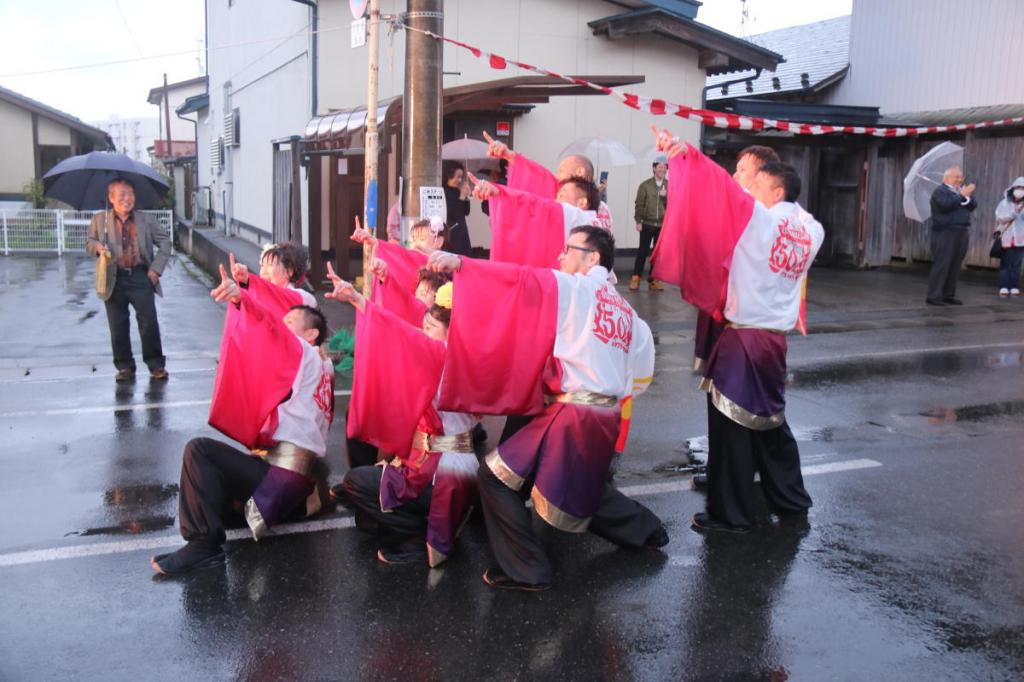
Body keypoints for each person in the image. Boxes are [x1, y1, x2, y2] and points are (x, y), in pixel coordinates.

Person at [428, 225, 667, 591]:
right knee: (580, 485)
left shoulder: (578, 288)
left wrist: (463, 263)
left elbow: (521, 280)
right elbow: (642, 374)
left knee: (494, 478)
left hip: (574, 413)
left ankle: (529, 568)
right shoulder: (628, 313)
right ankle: (648, 531)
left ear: (593, 257)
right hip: (603, 415)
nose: (561, 256)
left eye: (569, 249)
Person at [650, 128, 824, 533]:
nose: (748, 186)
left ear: (776, 192)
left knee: (732, 431)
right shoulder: (811, 232)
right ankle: (790, 498)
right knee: (768, 423)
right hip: (773, 342)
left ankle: (733, 515)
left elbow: (719, 189)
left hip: (744, 337)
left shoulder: (758, 219)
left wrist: (686, 155)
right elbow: (800, 213)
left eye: (758, 182)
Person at [151, 266, 334, 575]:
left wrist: (243, 301)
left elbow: (269, 330)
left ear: (311, 334)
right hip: (295, 479)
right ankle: (292, 505)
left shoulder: (304, 352)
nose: (282, 324)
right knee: (211, 491)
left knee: (200, 452)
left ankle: (203, 546)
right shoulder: (325, 367)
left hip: (283, 475)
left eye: (290, 321)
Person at [328, 278, 480, 567]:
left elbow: (401, 335)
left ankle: (419, 536)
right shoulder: (468, 358)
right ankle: (419, 525)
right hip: (455, 463)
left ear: (452, 331)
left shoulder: (443, 355)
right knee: (372, 495)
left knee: (356, 482)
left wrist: (360, 301)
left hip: (442, 471)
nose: (421, 333)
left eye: (429, 328)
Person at [690, 145, 780, 491]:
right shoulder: (745, 211)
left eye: (742, 170)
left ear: (763, 176)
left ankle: (740, 480)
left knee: (741, 404)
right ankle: (725, 471)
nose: (734, 176)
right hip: (727, 319)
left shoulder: (767, 216)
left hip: (749, 328)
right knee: (724, 401)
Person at [85, 178, 172, 382]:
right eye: (122, 195)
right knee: (118, 325)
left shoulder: (145, 220)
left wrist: (155, 271)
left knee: (149, 322)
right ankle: (124, 366)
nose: (128, 199)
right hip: (114, 277)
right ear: (111, 198)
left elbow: (166, 242)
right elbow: (89, 242)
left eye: (131, 194)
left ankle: (156, 364)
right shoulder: (100, 220)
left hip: (142, 276)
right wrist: (98, 247)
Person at [483, 131, 613, 231]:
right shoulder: (602, 209)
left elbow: (540, 191)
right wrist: (511, 157)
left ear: (580, 172)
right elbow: (541, 178)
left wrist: (502, 191)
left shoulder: (582, 210)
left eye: (561, 171)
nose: (557, 176)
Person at [927, 166, 976, 306]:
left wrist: (967, 195)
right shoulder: (940, 191)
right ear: (947, 177)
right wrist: (961, 195)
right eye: (956, 177)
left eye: (961, 176)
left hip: (961, 231)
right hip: (945, 232)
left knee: (955, 265)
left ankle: (948, 294)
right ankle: (934, 296)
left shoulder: (959, 190)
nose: (960, 179)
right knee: (942, 264)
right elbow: (946, 205)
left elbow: (973, 205)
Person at [631, 159, 669, 291]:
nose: (662, 169)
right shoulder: (645, 185)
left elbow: (671, 206)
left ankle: (653, 280)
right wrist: (638, 221)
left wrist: (664, 197)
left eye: (664, 167)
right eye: (659, 167)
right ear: (654, 169)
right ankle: (636, 278)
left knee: (657, 254)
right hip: (646, 223)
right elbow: (639, 204)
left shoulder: (669, 185)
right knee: (642, 251)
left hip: (662, 225)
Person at [994, 176, 1024, 296]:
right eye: (1018, 187)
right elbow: (1000, 218)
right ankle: (1004, 285)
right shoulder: (1004, 203)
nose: (1020, 190)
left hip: (1021, 239)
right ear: (1013, 188)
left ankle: (1014, 286)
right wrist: (1013, 214)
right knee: (1006, 264)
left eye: (1023, 188)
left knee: (1016, 264)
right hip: (1006, 237)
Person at [442, 160, 473, 256]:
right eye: (457, 177)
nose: (459, 180)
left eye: (461, 177)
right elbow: (451, 213)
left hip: (462, 230)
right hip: (451, 232)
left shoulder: (457, 191)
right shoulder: (443, 192)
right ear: (449, 175)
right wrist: (462, 197)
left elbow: (466, 212)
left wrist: (466, 197)